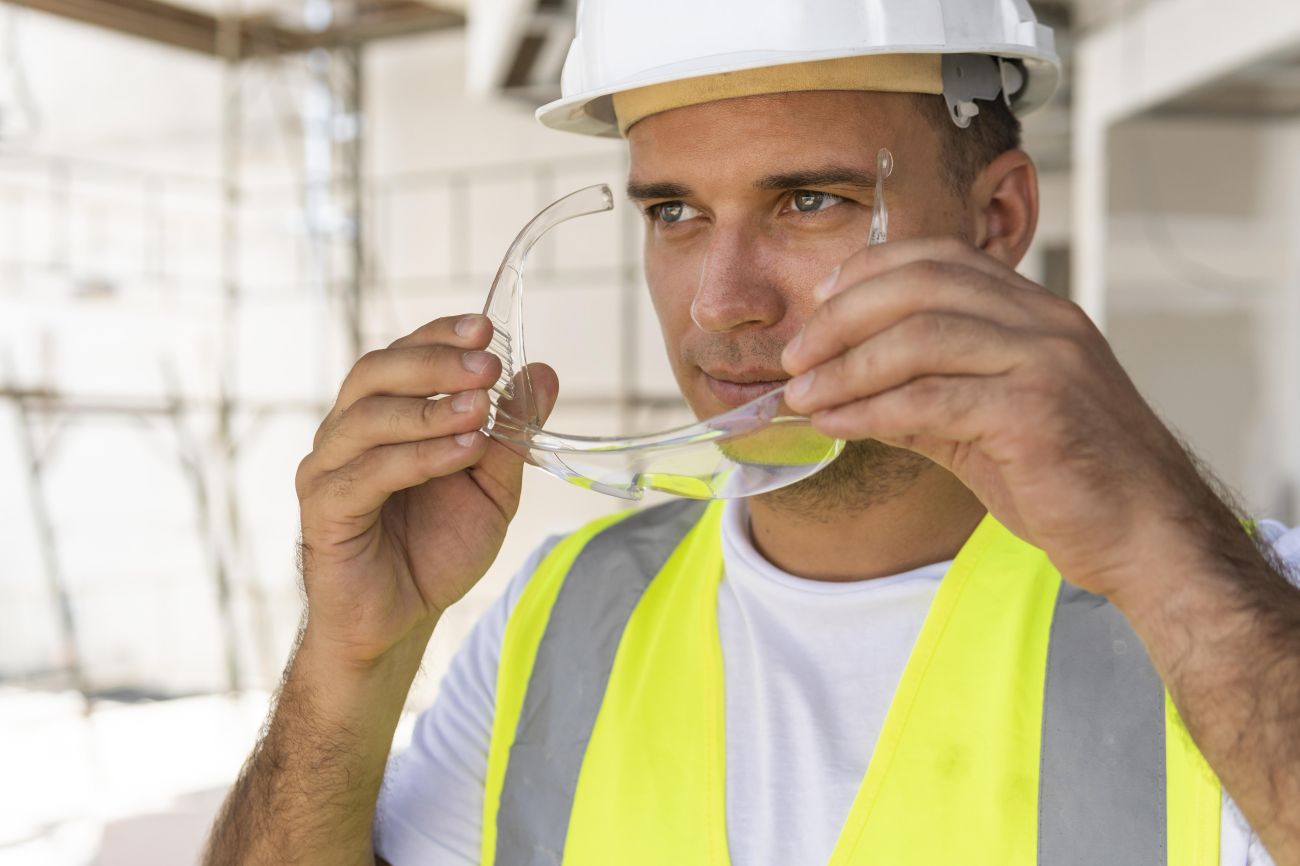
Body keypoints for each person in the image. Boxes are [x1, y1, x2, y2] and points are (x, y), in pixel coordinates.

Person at [203, 2, 1300, 864]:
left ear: (996, 219)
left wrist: (1168, 552)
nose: (722, 303)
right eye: (674, 212)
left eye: (809, 200)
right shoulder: (560, 620)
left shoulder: (1234, 607)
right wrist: (354, 657)